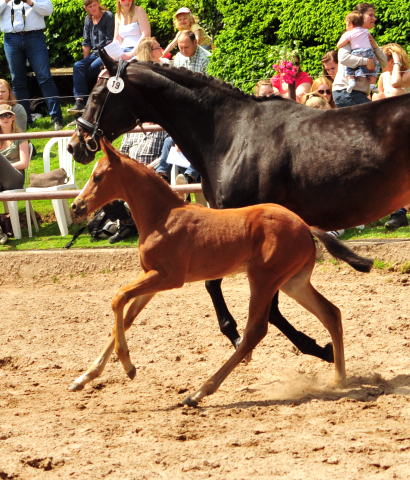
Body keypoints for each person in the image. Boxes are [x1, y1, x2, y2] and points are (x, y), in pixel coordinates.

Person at [156, 30, 210, 186]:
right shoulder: (178, 58)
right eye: (180, 47)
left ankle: (189, 177)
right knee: (168, 142)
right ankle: (162, 176)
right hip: (185, 113)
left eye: (186, 47)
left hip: (202, 112)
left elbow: (206, 90)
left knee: (197, 141)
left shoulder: (207, 59)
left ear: (195, 43)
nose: (183, 51)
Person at [0, 0, 64, 130]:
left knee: (45, 78)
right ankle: (23, 121)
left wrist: (30, 2)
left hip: (35, 36)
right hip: (11, 39)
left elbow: (48, 10)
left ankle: (57, 118)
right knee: (17, 81)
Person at [373, 44, 410, 229]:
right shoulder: (383, 77)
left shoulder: (406, 74)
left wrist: (396, 61)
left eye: (383, 58)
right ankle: (397, 211)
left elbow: (396, 84)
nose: (380, 63)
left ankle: (401, 212)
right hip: (389, 129)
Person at [332, 3, 387, 108]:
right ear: (360, 16)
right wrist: (367, 62)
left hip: (356, 93)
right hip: (346, 92)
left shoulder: (367, 38)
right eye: (370, 15)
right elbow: (343, 58)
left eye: (374, 16)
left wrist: (375, 46)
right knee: (376, 114)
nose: (374, 18)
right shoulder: (350, 36)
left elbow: (384, 63)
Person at [68, 0, 114, 115]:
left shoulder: (108, 16)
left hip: (106, 53)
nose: (93, 8)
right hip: (94, 54)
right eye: (90, 6)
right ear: (86, 8)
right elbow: (86, 42)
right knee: (78, 66)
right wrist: (85, 62)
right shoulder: (88, 20)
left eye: (94, 5)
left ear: (98, 3)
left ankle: (84, 105)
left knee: (87, 71)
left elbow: (110, 41)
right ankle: (79, 101)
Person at [336, 11, 380, 94]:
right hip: (369, 52)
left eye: (346, 24)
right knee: (376, 65)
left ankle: (351, 81)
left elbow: (340, 44)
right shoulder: (366, 31)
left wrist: (339, 45)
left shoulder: (349, 33)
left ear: (351, 24)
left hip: (357, 52)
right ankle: (372, 84)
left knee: (349, 66)